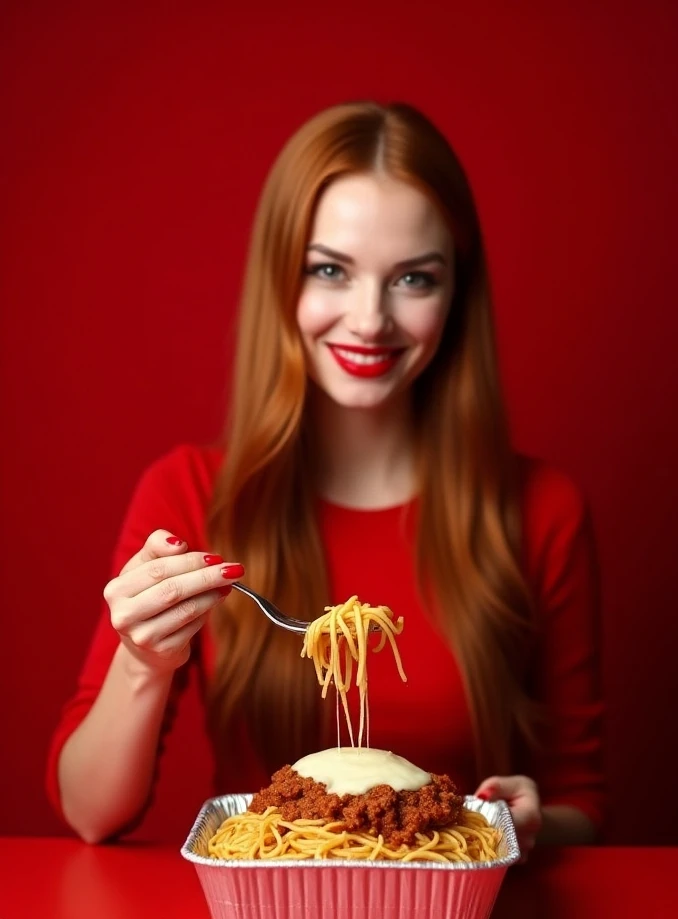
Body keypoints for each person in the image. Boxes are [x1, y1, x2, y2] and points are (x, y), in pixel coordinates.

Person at [46, 101, 604, 856]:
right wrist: (143, 662)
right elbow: (90, 813)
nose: (370, 319)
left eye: (413, 278)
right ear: (282, 278)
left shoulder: (542, 510)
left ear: (456, 296)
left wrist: (528, 822)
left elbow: (580, 799)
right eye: (330, 270)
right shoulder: (189, 495)